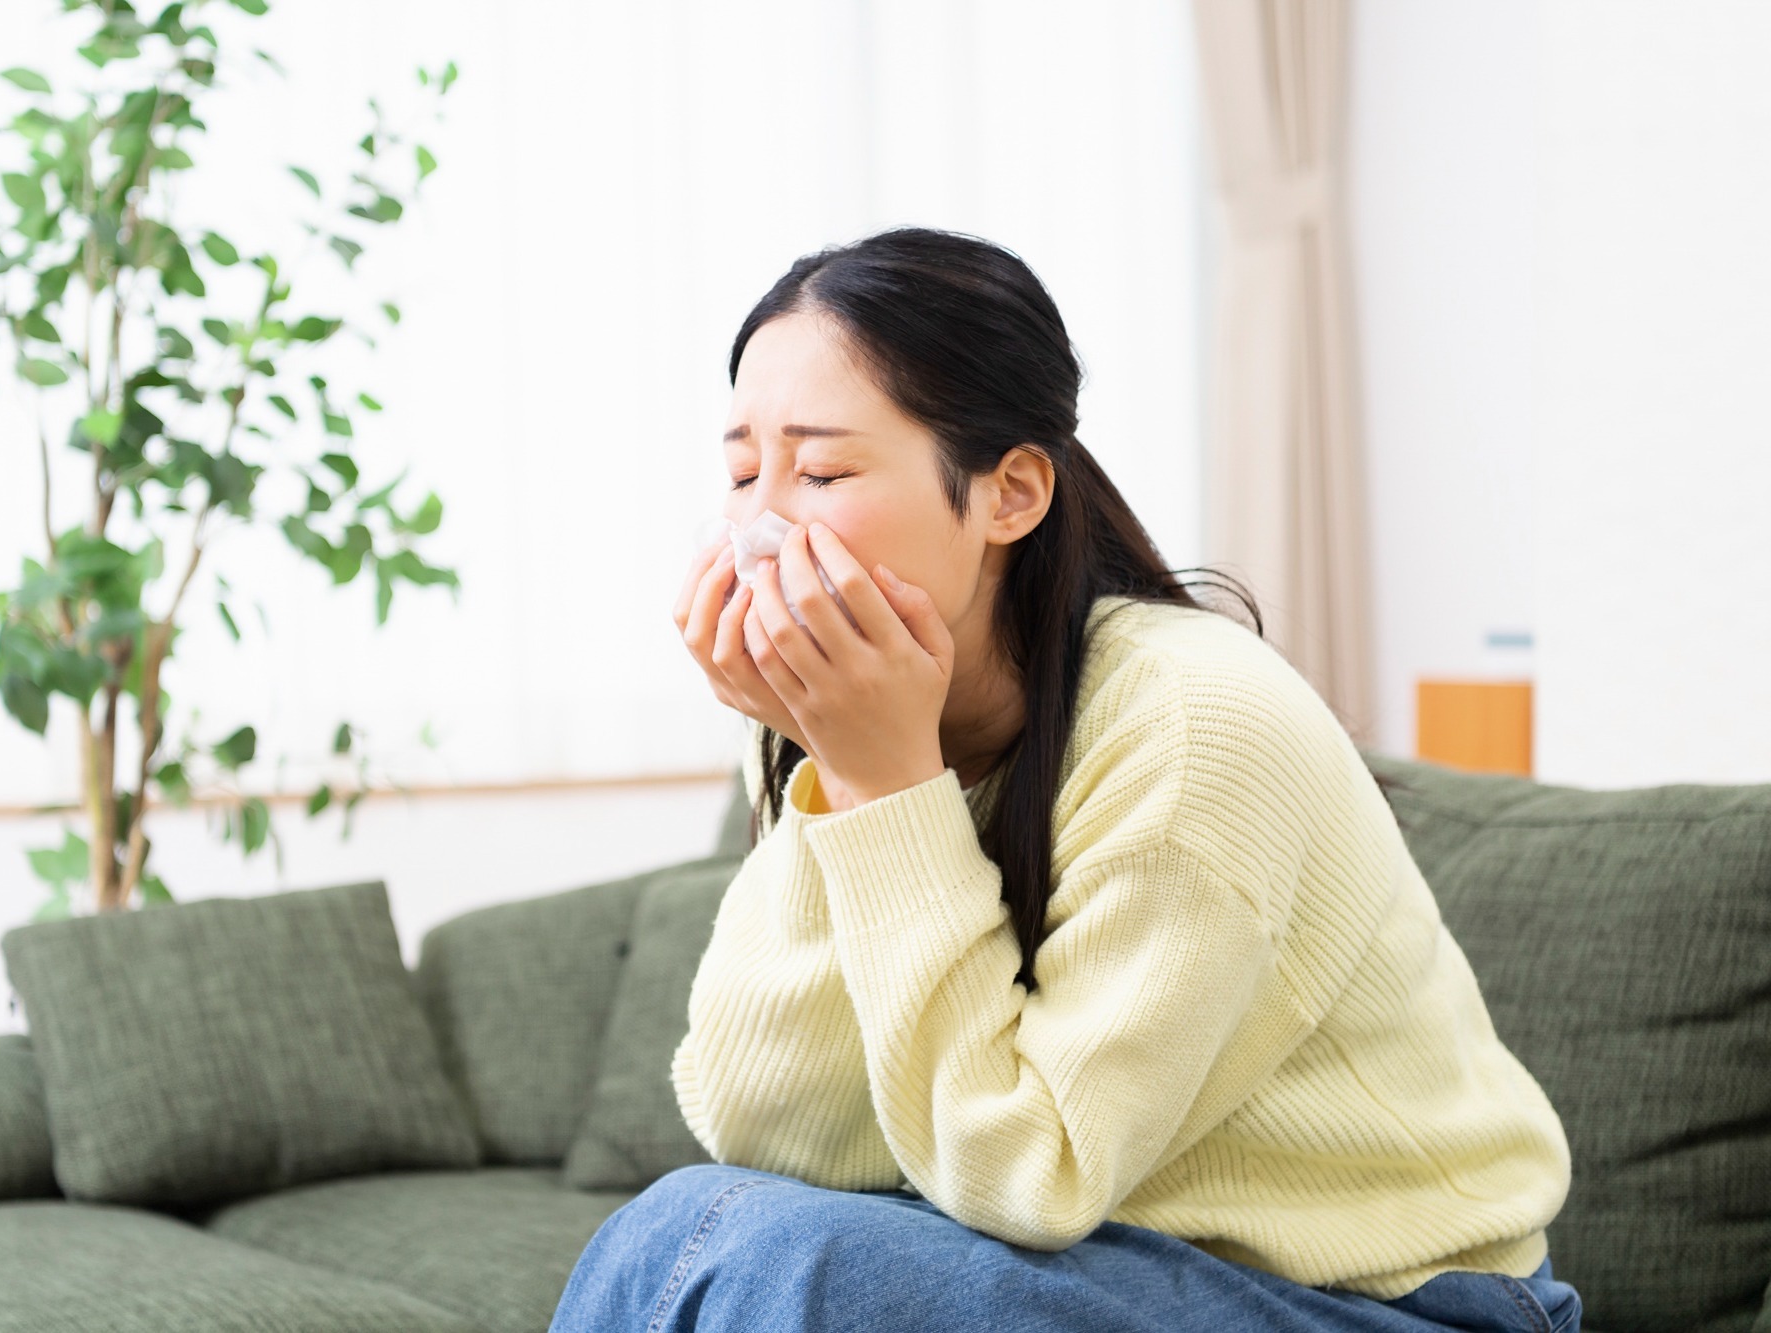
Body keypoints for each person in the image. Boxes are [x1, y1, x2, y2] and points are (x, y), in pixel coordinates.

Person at [548, 226, 1582, 1333]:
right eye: (744, 471)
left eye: (822, 470)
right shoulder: (885, 723)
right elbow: (768, 1125)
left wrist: (884, 784)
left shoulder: (1195, 726)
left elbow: (1029, 1174)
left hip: (1406, 1309)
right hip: (1121, 1266)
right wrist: (830, 767)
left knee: (773, 1262)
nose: (757, 531)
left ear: (1009, 494)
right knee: (688, 1218)